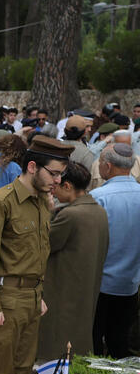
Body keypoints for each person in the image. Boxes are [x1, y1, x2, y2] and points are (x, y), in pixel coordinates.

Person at [0, 135, 71, 374]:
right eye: (53, 173)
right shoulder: (1, 202)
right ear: (31, 167)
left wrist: (38, 295)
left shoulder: (41, 203)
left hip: (30, 298)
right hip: (5, 299)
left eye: (60, 175)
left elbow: (36, 253)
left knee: (22, 370)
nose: (57, 181)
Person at [37, 162, 108, 361]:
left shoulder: (71, 214)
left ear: (67, 186)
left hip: (63, 291)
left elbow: (44, 243)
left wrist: (48, 211)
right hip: (85, 289)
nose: (54, 190)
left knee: (57, 348)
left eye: (56, 186)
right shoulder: (98, 211)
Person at [90, 143, 140, 358]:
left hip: (100, 284)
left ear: (107, 167)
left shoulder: (98, 197)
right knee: (120, 340)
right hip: (131, 283)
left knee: (94, 340)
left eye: (100, 162)